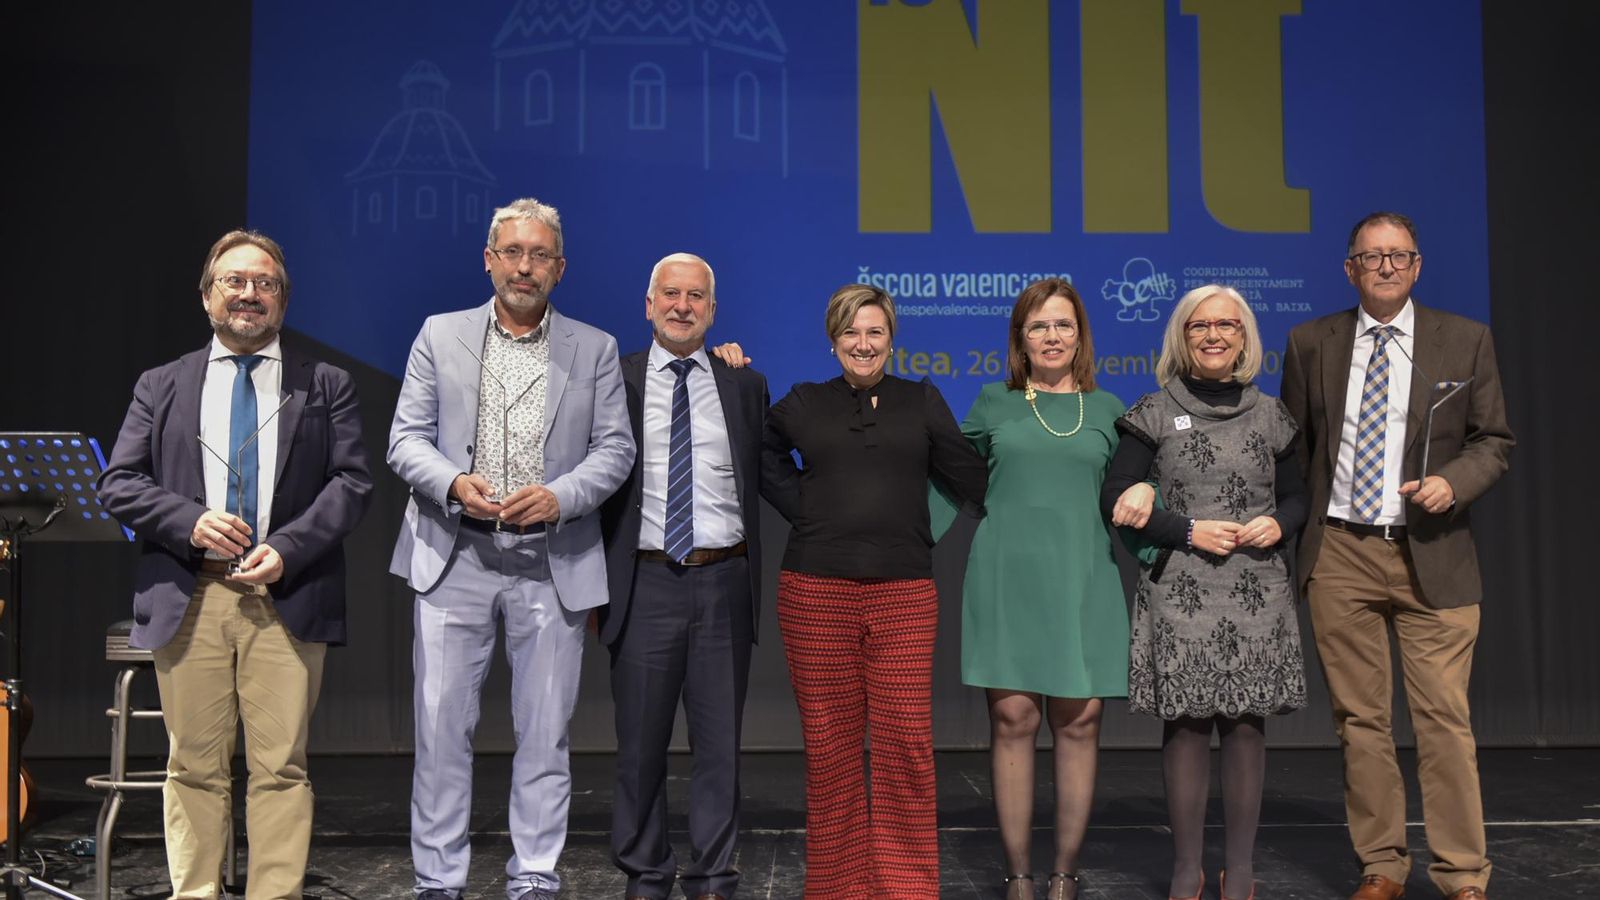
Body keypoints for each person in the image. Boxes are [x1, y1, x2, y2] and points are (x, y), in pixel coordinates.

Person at [98, 229, 373, 900]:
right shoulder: (161, 385)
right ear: (207, 296)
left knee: (281, 767)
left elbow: (352, 485)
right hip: (191, 594)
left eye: (266, 284)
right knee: (193, 766)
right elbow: (119, 483)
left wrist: (290, 549)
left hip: (287, 595)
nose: (251, 294)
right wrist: (190, 523)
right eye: (236, 282)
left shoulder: (325, 383)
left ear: (283, 299)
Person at [387, 197, 634, 900]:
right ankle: (438, 880)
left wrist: (562, 496)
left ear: (561, 268)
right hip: (454, 553)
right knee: (440, 731)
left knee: (545, 735)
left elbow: (616, 448)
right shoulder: (440, 335)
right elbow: (405, 439)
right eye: (513, 253)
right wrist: (454, 482)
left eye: (540, 256)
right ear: (490, 259)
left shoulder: (594, 348)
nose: (525, 267)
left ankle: (534, 874)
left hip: (550, 560)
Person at [1281, 212, 1513, 900]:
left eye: (1398, 255)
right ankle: (1382, 864)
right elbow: (1296, 452)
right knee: (1362, 721)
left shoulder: (1465, 340)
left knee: (1444, 716)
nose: (1385, 266)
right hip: (1342, 553)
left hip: (1433, 552)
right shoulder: (1310, 342)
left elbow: (1494, 441)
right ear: (1348, 269)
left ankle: (1463, 874)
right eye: (1370, 256)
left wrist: (1454, 482)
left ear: (1417, 267)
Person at [757, 284, 986, 899]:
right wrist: (802, 505)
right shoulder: (803, 402)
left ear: (892, 339)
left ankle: (906, 886)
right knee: (830, 748)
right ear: (833, 341)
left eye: (875, 333)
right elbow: (762, 452)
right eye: (851, 333)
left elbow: (970, 472)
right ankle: (837, 888)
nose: (863, 344)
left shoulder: (922, 400)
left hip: (904, 595)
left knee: (905, 743)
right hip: (814, 592)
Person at [1101, 284, 1308, 900]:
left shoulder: (1273, 415)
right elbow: (1114, 498)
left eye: (1227, 325)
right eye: (1200, 327)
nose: (1214, 335)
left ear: (1244, 338)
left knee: (1246, 726)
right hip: (1181, 588)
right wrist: (1186, 529)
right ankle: (1186, 868)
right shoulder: (1151, 413)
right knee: (1187, 728)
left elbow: (1298, 496)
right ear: (1181, 338)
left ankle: (1239, 869)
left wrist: (1283, 522)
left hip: (1257, 589)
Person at [598, 253, 790, 900]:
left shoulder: (744, 383)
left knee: (719, 751)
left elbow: (774, 475)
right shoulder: (610, 380)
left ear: (713, 310)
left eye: (696, 297)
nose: (683, 306)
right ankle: (647, 876)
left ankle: (713, 878)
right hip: (645, 581)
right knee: (639, 752)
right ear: (648, 304)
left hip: (723, 582)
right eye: (670, 295)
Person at [940, 278, 1127, 900]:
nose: (1052, 336)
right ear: (1021, 338)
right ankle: (1019, 874)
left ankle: (1064, 874)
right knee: (1013, 718)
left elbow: (1133, 495)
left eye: (1063, 325)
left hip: (1084, 580)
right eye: (1039, 326)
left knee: (1079, 721)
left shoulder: (1108, 410)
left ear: (1081, 337)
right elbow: (947, 478)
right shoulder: (993, 402)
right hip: (1007, 579)